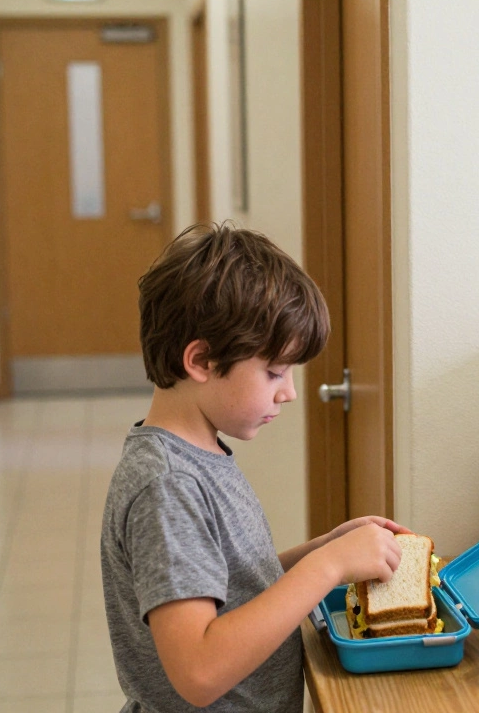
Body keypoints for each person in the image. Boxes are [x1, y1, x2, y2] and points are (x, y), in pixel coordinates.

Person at [101, 222, 407, 712]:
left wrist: (324, 549)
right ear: (201, 360)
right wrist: (328, 568)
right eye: (273, 372)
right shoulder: (168, 485)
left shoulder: (201, 454)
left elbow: (237, 584)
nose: (287, 392)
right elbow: (199, 671)